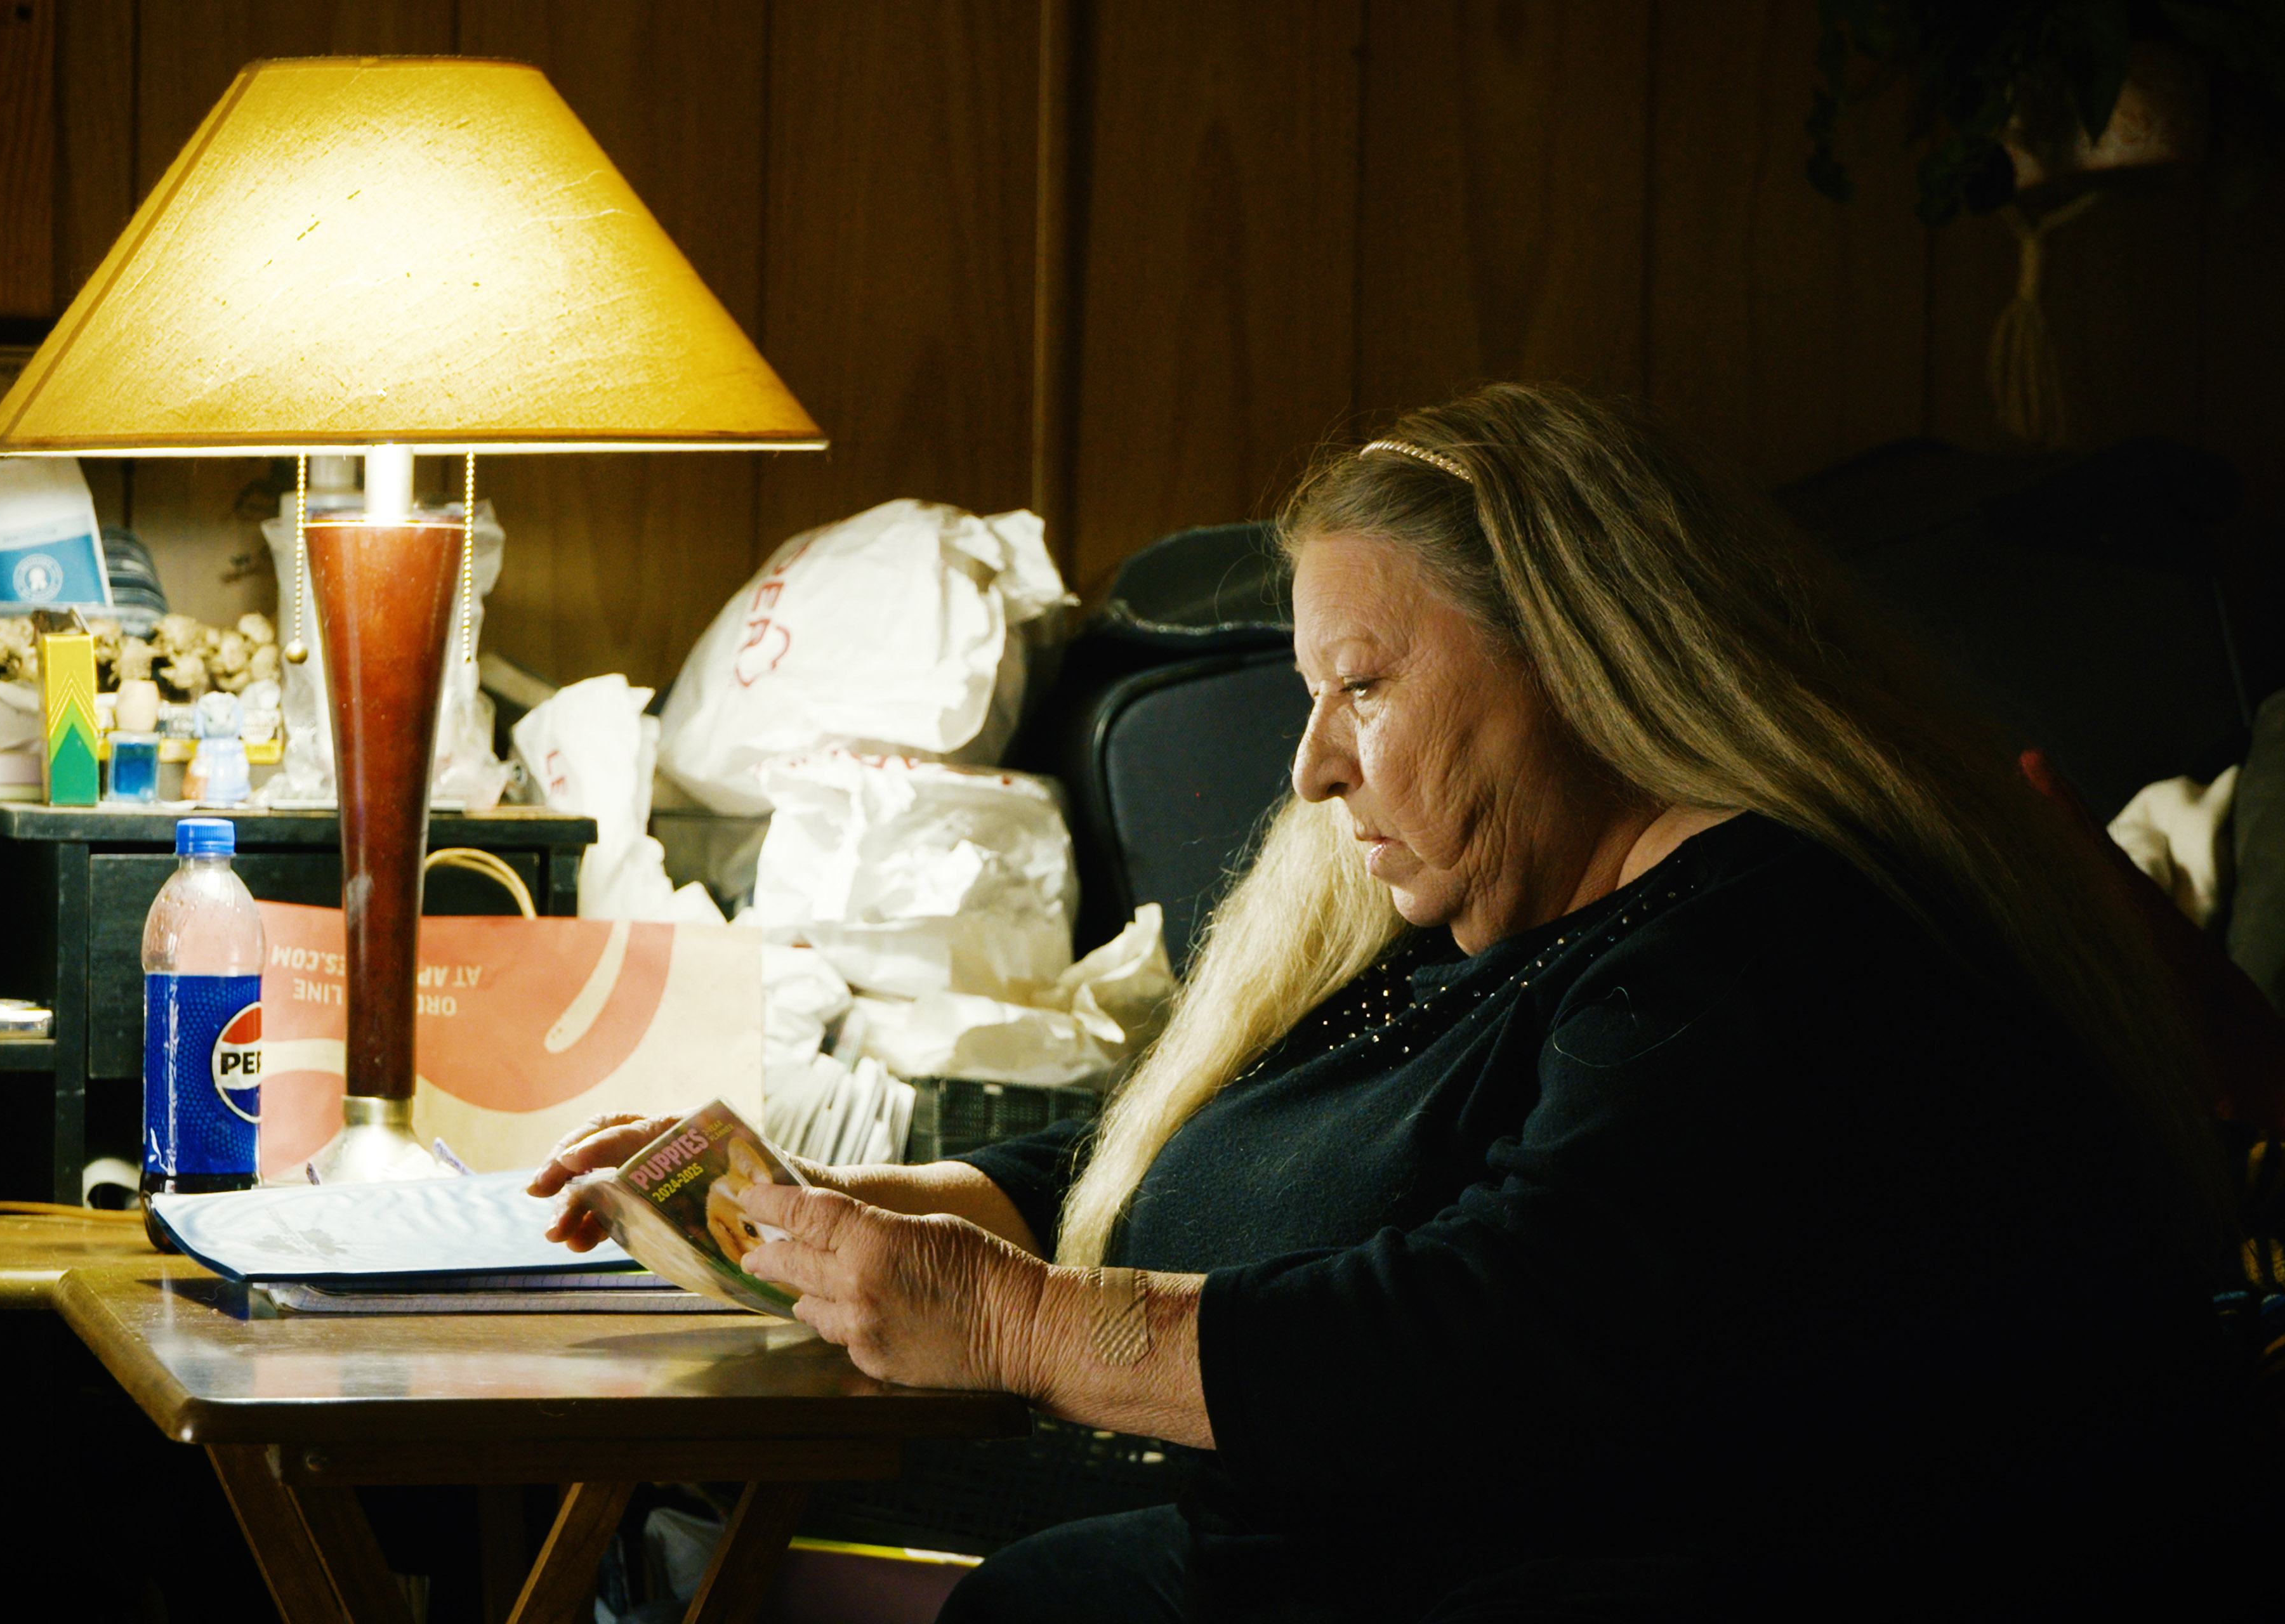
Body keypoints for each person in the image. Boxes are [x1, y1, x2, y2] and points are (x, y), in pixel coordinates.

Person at [532, 384, 2262, 1620]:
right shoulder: (1500, 926)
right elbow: (1255, 1148)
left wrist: (1012, 1326)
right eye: (1312, 689)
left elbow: (1490, 1341)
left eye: (1364, 683)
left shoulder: (1772, 954)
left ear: (1592, 654)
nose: (1312, 765)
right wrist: (890, 1213)